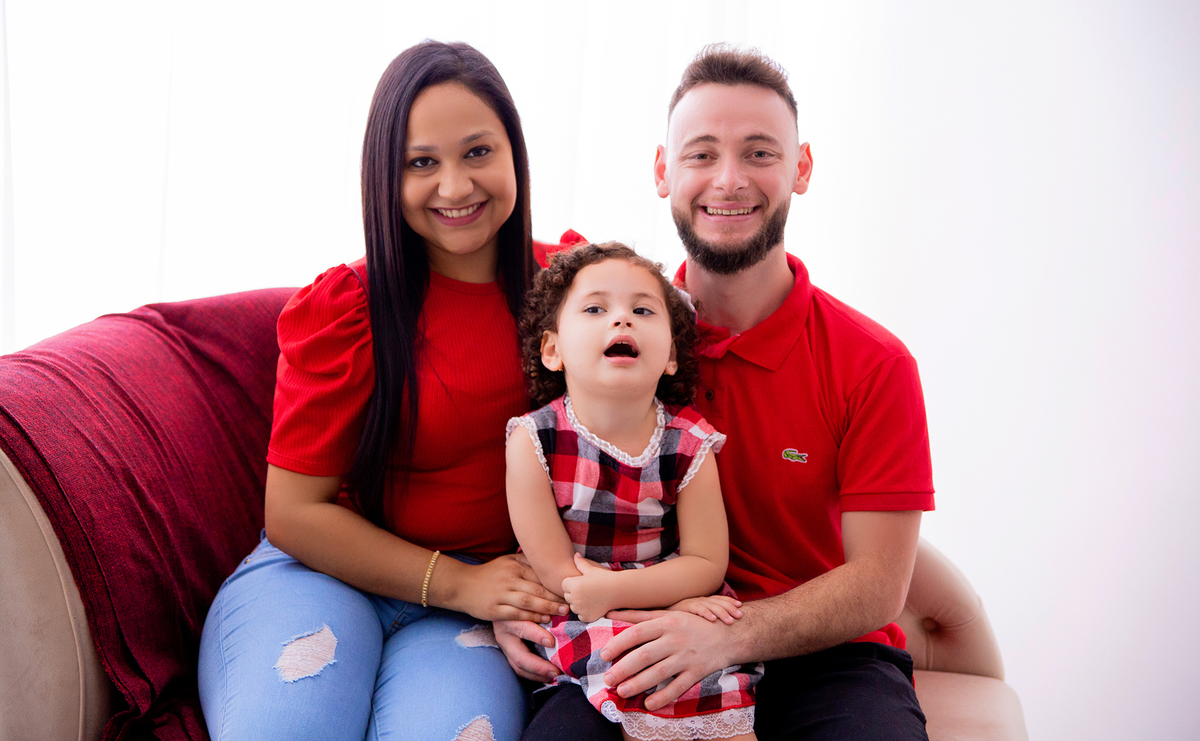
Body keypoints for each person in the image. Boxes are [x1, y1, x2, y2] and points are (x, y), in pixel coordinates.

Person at [498, 45, 936, 741]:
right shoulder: (611, 335)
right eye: (701, 154)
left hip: (827, 660)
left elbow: (878, 585)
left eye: (759, 152)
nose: (728, 180)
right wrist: (512, 601)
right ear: (663, 172)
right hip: (632, 631)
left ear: (802, 168)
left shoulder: (874, 363)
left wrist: (727, 638)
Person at [197, 41, 573, 741]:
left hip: (467, 610)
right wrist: (464, 584)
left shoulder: (573, 291)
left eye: (478, 153)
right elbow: (294, 512)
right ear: (384, 177)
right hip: (322, 575)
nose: (455, 187)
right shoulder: (348, 306)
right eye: (421, 163)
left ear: (515, 153)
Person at [505, 242, 761, 741]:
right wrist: (616, 598)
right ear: (553, 349)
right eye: (596, 308)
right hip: (577, 612)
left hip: (665, 602)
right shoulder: (533, 440)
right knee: (631, 672)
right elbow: (559, 573)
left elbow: (707, 563)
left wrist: (627, 594)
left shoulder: (690, 444)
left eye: (642, 310)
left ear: (670, 356)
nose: (621, 320)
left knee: (700, 694)